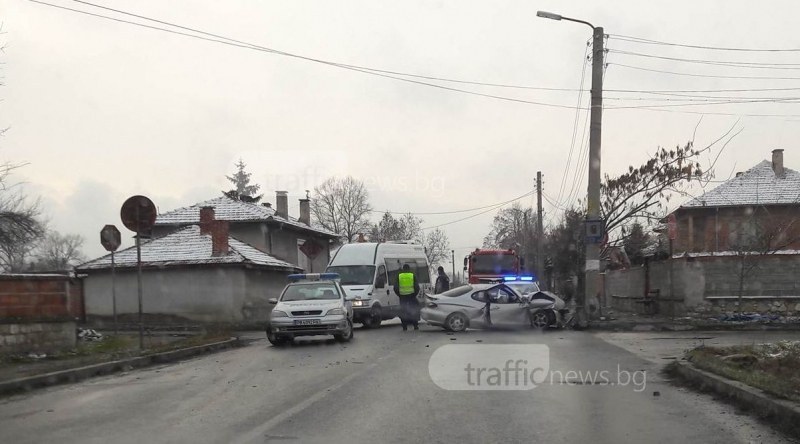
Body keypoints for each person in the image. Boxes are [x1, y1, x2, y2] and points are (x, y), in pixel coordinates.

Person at [393, 264, 420, 331]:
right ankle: (415, 325)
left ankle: (404, 326)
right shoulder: (412, 275)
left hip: (402, 297)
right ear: (409, 269)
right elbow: (417, 287)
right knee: (414, 310)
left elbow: (395, 287)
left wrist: (399, 294)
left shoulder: (399, 276)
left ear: (403, 269)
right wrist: (414, 294)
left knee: (403, 311)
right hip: (412, 296)